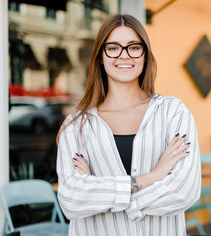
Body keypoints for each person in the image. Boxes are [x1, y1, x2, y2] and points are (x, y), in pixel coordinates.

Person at [56, 14, 201, 235]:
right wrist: (152, 177)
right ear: (101, 57)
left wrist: (99, 192)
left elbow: (184, 191)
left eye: (134, 47)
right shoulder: (77, 124)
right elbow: (71, 199)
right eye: (113, 48)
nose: (124, 55)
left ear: (145, 55)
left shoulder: (173, 113)